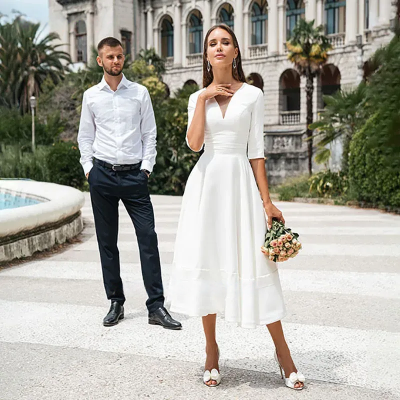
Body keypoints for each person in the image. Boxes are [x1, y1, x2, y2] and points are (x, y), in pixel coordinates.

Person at [167, 25, 305, 389]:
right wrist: (204, 99)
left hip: (239, 184)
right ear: (207, 54)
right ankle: (211, 350)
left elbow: (256, 152)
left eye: (225, 42)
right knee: (208, 260)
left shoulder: (254, 95)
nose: (218, 47)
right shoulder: (197, 97)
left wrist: (268, 201)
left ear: (236, 51)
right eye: (212, 43)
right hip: (205, 186)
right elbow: (195, 145)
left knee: (254, 263)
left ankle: (283, 353)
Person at [77, 37, 181, 331]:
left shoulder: (139, 92)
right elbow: (85, 136)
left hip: (135, 176)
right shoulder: (91, 96)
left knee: (148, 238)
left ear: (124, 58)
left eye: (119, 56)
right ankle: (115, 301)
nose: (115, 61)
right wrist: (89, 170)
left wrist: (146, 169)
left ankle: (156, 306)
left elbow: (150, 134)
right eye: (110, 57)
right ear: (100, 60)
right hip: (102, 175)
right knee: (107, 242)